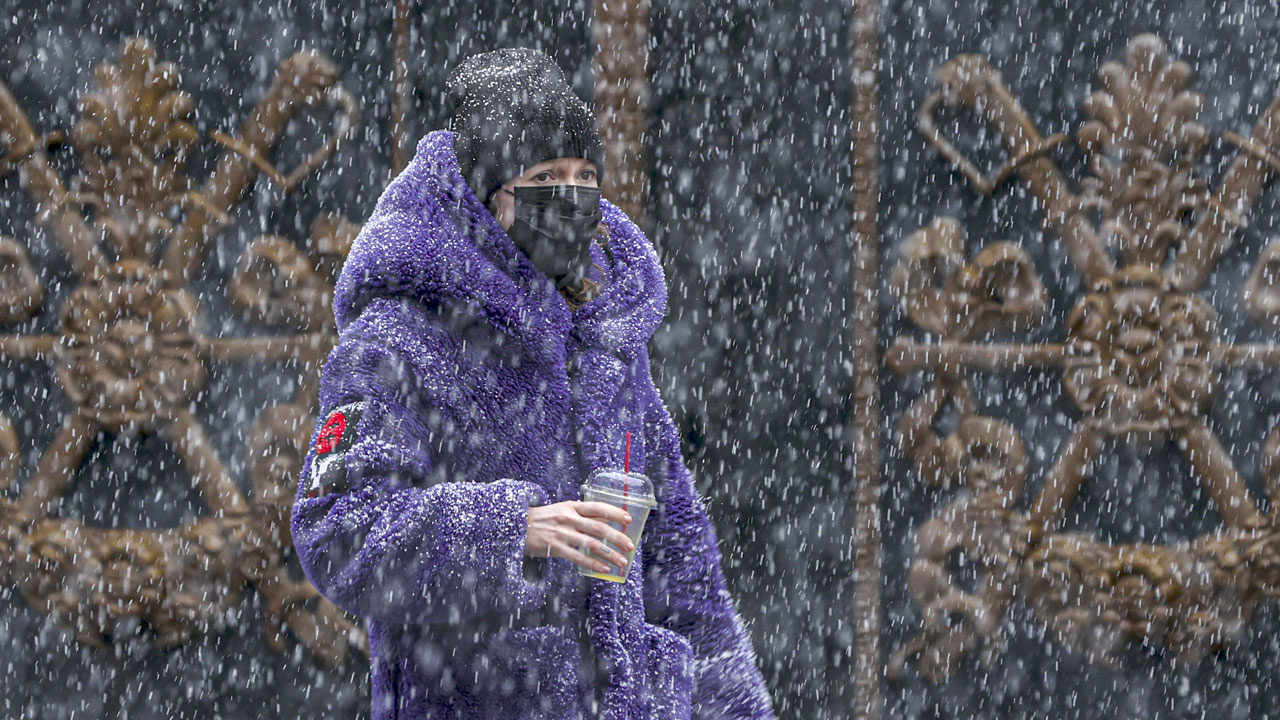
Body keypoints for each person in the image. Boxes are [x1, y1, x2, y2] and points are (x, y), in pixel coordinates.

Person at [291, 47, 776, 720]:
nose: (572, 198)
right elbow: (337, 526)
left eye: (585, 177)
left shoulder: (606, 342)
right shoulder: (400, 339)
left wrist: (734, 706)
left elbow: (681, 563)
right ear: (488, 198)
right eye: (547, 176)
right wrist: (510, 530)